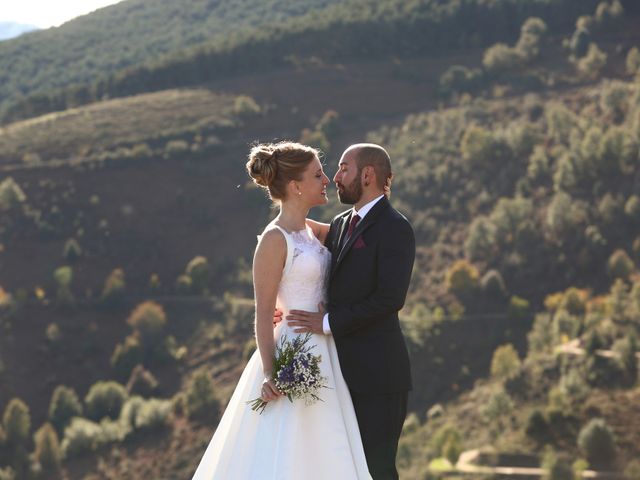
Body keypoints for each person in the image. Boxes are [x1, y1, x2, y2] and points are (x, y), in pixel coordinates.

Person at [191, 141, 371, 479]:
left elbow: (355, 236)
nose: (327, 180)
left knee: (326, 445)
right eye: (318, 175)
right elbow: (262, 315)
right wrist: (271, 373)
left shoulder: (311, 231)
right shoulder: (274, 239)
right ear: (295, 186)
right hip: (292, 350)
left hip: (325, 350)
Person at [287, 143, 415, 480]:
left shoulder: (395, 227)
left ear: (368, 175)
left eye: (344, 168)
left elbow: (389, 299)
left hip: (379, 376)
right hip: (337, 371)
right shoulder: (341, 223)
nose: (335, 178)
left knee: (377, 470)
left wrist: (326, 322)